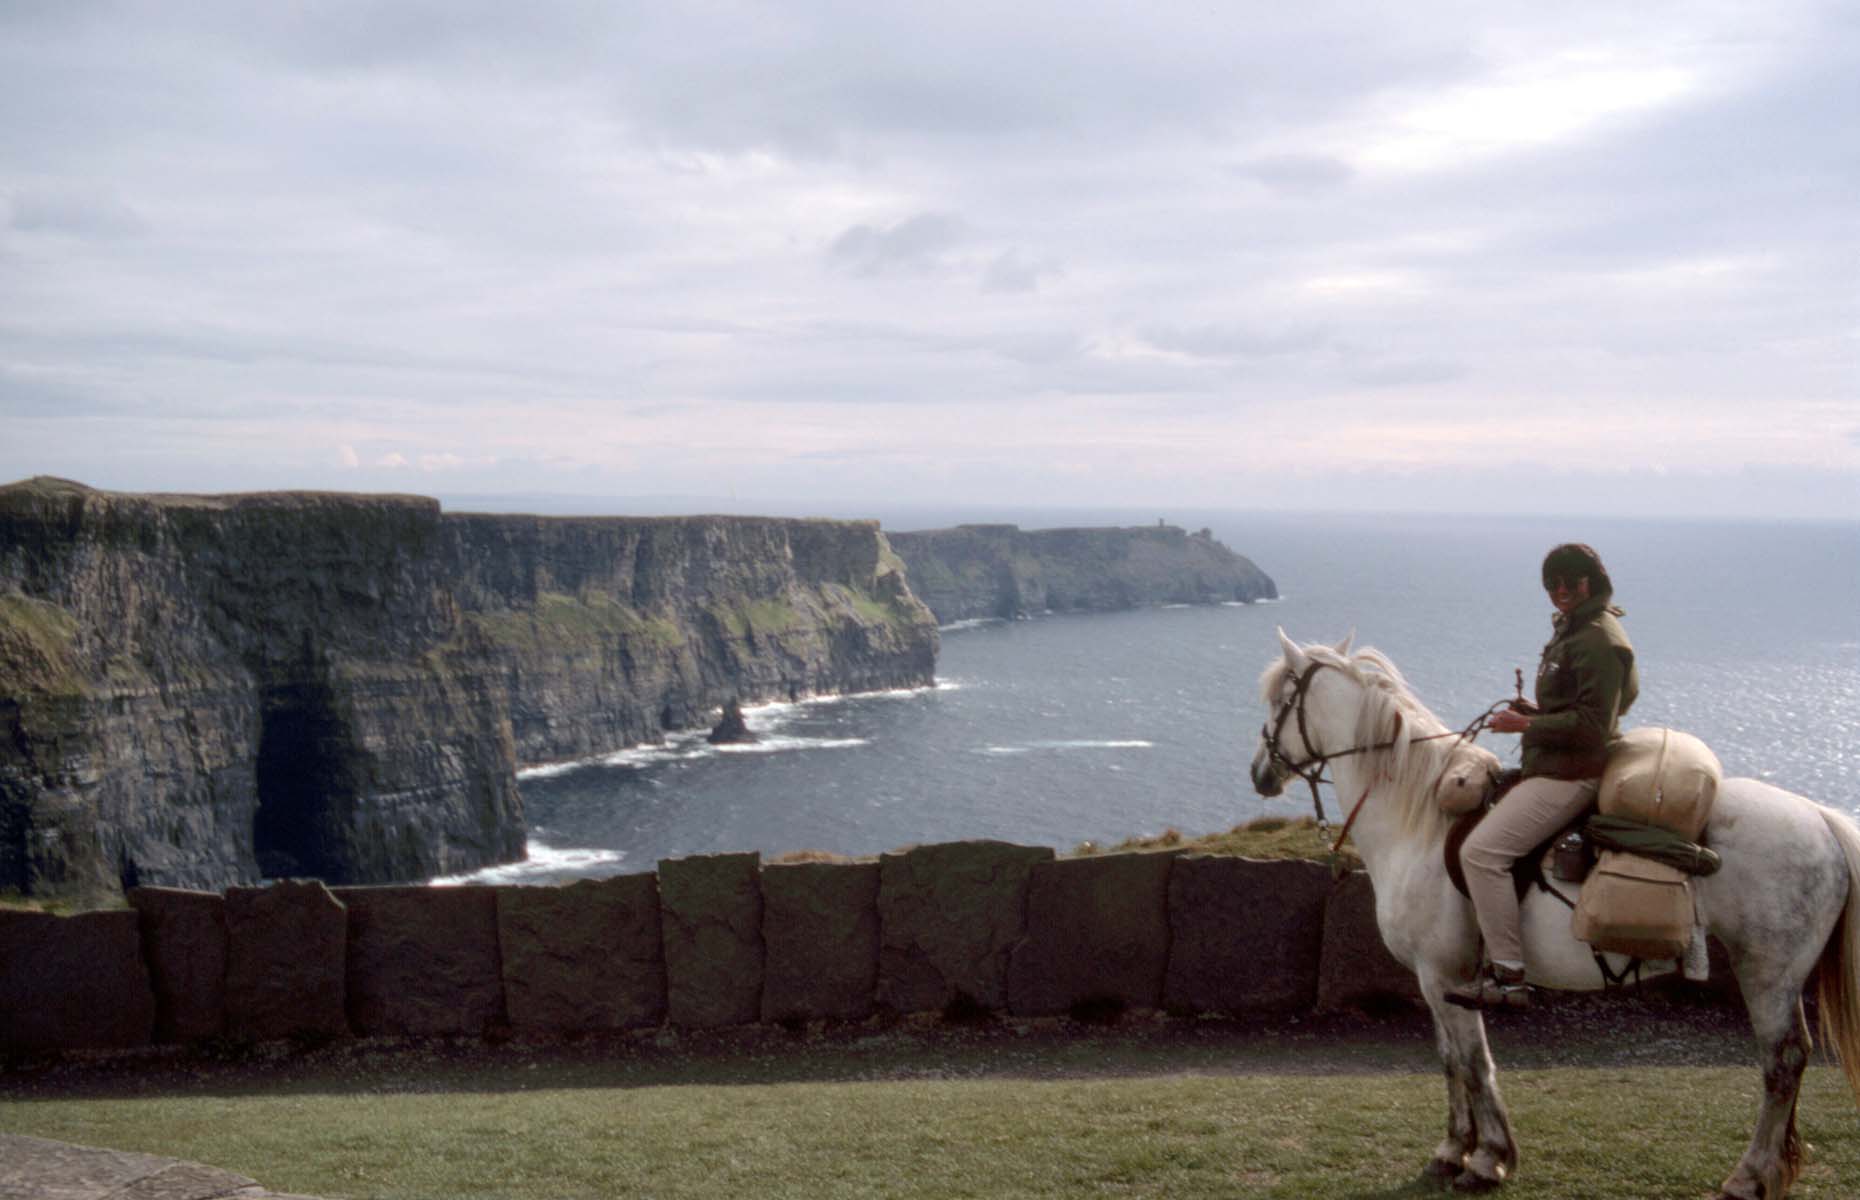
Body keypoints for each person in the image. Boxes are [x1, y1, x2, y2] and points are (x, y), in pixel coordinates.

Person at [1447, 543, 1638, 1010]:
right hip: (1553, 764)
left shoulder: (1598, 638)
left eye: (1569, 582)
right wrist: (1536, 712)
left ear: (1589, 583)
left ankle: (1509, 979)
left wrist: (1527, 724)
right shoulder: (1574, 631)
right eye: (1551, 584)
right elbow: (1576, 707)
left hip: (1573, 775)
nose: (1559, 592)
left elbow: (1595, 726)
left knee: (1481, 853)